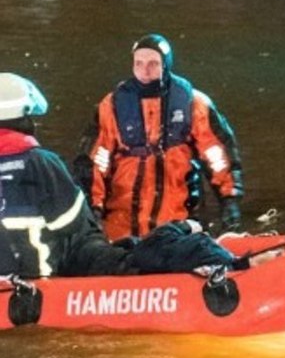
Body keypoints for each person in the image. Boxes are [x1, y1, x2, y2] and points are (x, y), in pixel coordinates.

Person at [0, 73, 240, 277]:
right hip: (48, 275)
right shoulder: (41, 163)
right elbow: (74, 225)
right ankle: (214, 259)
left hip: (14, 274)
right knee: (138, 255)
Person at [75, 34, 244, 242]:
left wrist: (229, 200)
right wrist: (94, 209)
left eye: (153, 63)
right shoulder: (111, 106)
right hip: (120, 223)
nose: (145, 70)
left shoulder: (193, 103)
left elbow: (216, 153)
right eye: (139, 63)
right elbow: (95, 161)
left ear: (166, 65)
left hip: (177, 218)